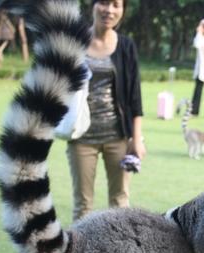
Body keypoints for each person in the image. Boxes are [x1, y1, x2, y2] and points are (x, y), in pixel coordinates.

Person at [67, 0, 145, 221]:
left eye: (116, 5)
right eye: (103, 2)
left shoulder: (126, 45)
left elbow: (134, 96)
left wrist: (136, 139)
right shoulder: (75, 41)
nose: (109, 10)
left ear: (122, 10)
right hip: (81, 137)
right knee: (83, 206)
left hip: (118, 137)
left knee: (119, 203)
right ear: (93, 6)